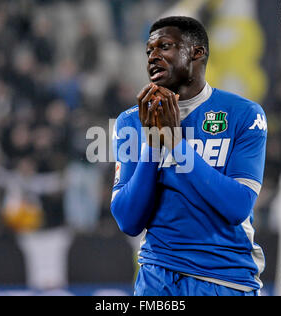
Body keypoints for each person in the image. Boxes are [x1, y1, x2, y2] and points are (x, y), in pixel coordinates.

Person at [111, 16, 267, 296]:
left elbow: (237, 206)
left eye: (165, 46)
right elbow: (128, 220)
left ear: (198, 52)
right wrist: (154, 145)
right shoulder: (131, 121)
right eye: (149, 51)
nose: (153, 57)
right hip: (155, 280)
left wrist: (177, 146)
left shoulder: (245, 114)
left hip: (225, 279)